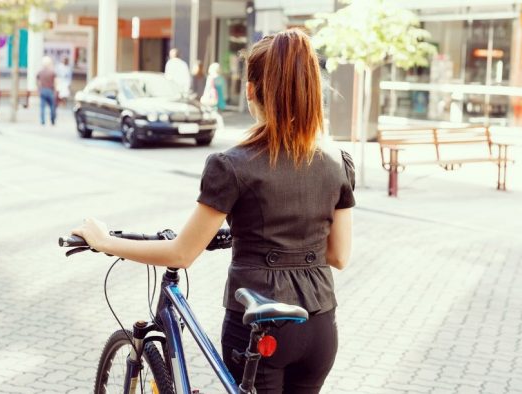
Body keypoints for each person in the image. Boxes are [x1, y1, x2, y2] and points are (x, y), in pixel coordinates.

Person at [72, 29, 355, 393]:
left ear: (251, 91)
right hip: (319, 328)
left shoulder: (233, 165)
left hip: (260, 326)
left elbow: (181, 253)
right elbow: (339, 256)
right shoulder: (337, 161)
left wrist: (105, 241)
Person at [37, 56, 57, 125]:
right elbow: (55, 83)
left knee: (42, 107)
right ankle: (52, 120)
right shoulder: (52, 72)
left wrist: (39, 89)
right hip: (50, 90)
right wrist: (55, 91)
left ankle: (42, 120)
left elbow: (38, 82)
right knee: (52, 106)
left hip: (43, 90)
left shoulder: (40, 72)